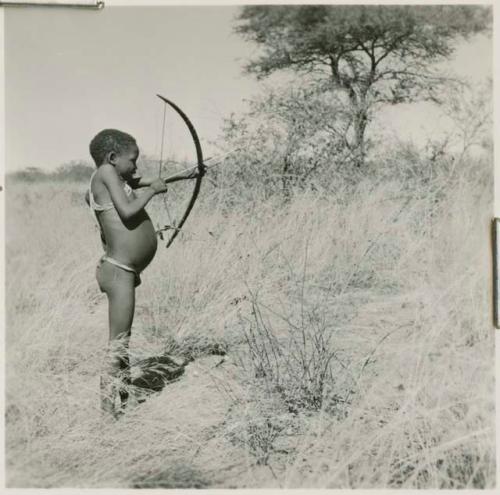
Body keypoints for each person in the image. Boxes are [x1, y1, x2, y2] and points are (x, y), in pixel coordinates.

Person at [86, 129, 199, 418]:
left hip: (123, 271)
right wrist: (151, 191)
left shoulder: (112, 176)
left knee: (123, 340)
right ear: (112, 158)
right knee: (118, 344)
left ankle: (121, 399)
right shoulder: (104, 174)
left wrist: (184, 176)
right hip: (118, 271)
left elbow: (134, 181)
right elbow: (126, 211)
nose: (136, 167)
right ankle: (106, 417)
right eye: (132, 160)